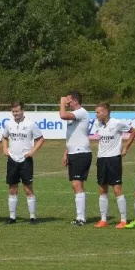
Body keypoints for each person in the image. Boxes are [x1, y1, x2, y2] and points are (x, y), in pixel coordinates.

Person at [93, 103, 135, 228]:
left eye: (98, 112)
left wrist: (126, 148)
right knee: (102, 189)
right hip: (101, 159)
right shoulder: (98, 124)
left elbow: (133, 131)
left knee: (117, 189)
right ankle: (103, 219)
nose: (96, 115)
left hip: (114, 159)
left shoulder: (117, 123)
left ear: (106, 112)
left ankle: (123, 220)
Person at [1, 101, 44, 224]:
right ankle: (12, 217)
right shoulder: (8, 124)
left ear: (22, 111)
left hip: (26, 160)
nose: (15, 114)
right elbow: (4, 137)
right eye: (13, 111)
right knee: (12, 189)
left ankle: (32, 217)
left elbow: (40, 139)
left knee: (28, 188)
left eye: (17, 111)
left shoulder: (30, 124)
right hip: (12, 159)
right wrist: (4, 148)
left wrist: (32, 151)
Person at [59, 91, 92, 226]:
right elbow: (73, 135)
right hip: (74, 153)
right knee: (77, 185)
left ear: (76, 101)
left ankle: (81, 218)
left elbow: (62, 115)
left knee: (76, 184)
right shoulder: (75, 116)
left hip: (81, 153)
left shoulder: (81, 112)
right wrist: (66, 152)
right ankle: (80, 217)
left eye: (69, 101)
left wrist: (61, 104)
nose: (67, 104)